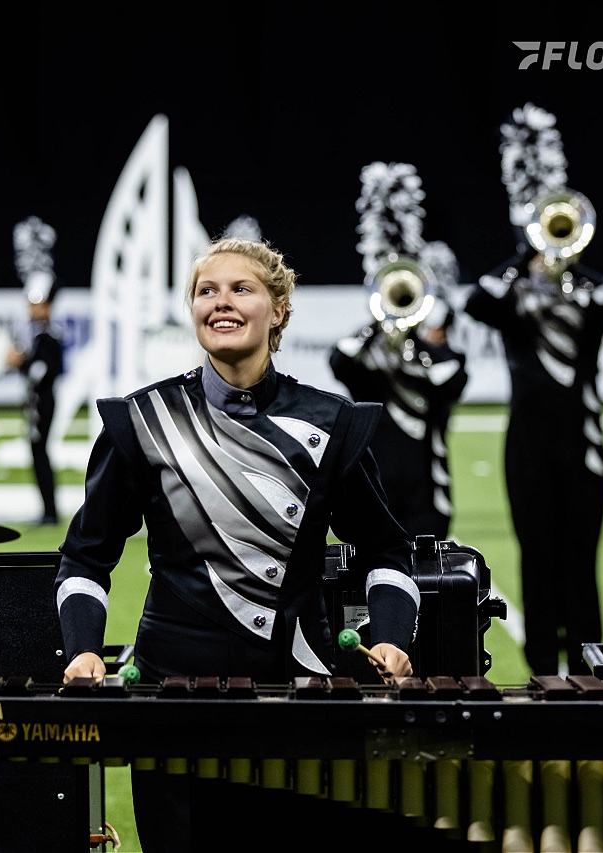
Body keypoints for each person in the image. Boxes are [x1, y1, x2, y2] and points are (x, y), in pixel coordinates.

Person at [53, 238, 420, 852]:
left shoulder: (330, 422)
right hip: (172, 694)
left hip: (299, 688)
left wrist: (390, 637)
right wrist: (84, 649)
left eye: (240, 289)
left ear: (278, 311)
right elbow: (85, 557)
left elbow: (387, 551)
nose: (220, 302)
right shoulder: (145, 421)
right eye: (207, 291)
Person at [453, 238, 603, 676]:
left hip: (584, 447)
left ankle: (585, 660)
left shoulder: (591, 298)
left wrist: (574, 262)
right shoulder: (513, 300)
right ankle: (540, 665)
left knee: (582, 557)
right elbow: (477, 301)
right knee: (535, 555)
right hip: (527, 445)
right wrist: (526, 256)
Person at [329, 303, 467, 538]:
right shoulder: (366, 368)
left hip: (426, 490)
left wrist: (412, 336)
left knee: (426, 556)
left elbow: (454, 379)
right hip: (374, 487)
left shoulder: (432, 362)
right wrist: (378, 324)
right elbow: (339, 361)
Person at [6, 293, 63, 525]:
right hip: (38, 400)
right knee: (38, 453)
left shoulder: (47, 336)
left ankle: (50, 511)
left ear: (47, 307)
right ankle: (48, 509)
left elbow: (42, 371)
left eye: (36, 306)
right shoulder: (42, 335)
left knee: (40, 453)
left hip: (42, 401)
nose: (31, 310)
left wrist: (20, 362)